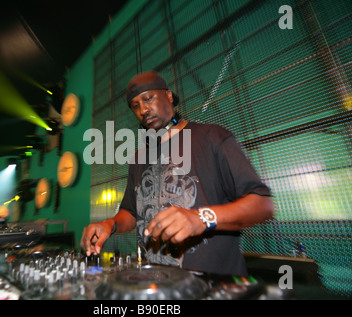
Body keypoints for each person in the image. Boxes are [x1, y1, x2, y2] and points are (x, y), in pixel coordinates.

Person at [81, 71, 274, 275]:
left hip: (212, 286)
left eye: (148, 98)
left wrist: (202, 218)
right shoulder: (138, 159)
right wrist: (110, 224)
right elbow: (130, 212)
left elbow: (263, 204)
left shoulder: (213, 137)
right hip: (158, 284)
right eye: (135, 106)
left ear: (169, 96)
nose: (143, 110)